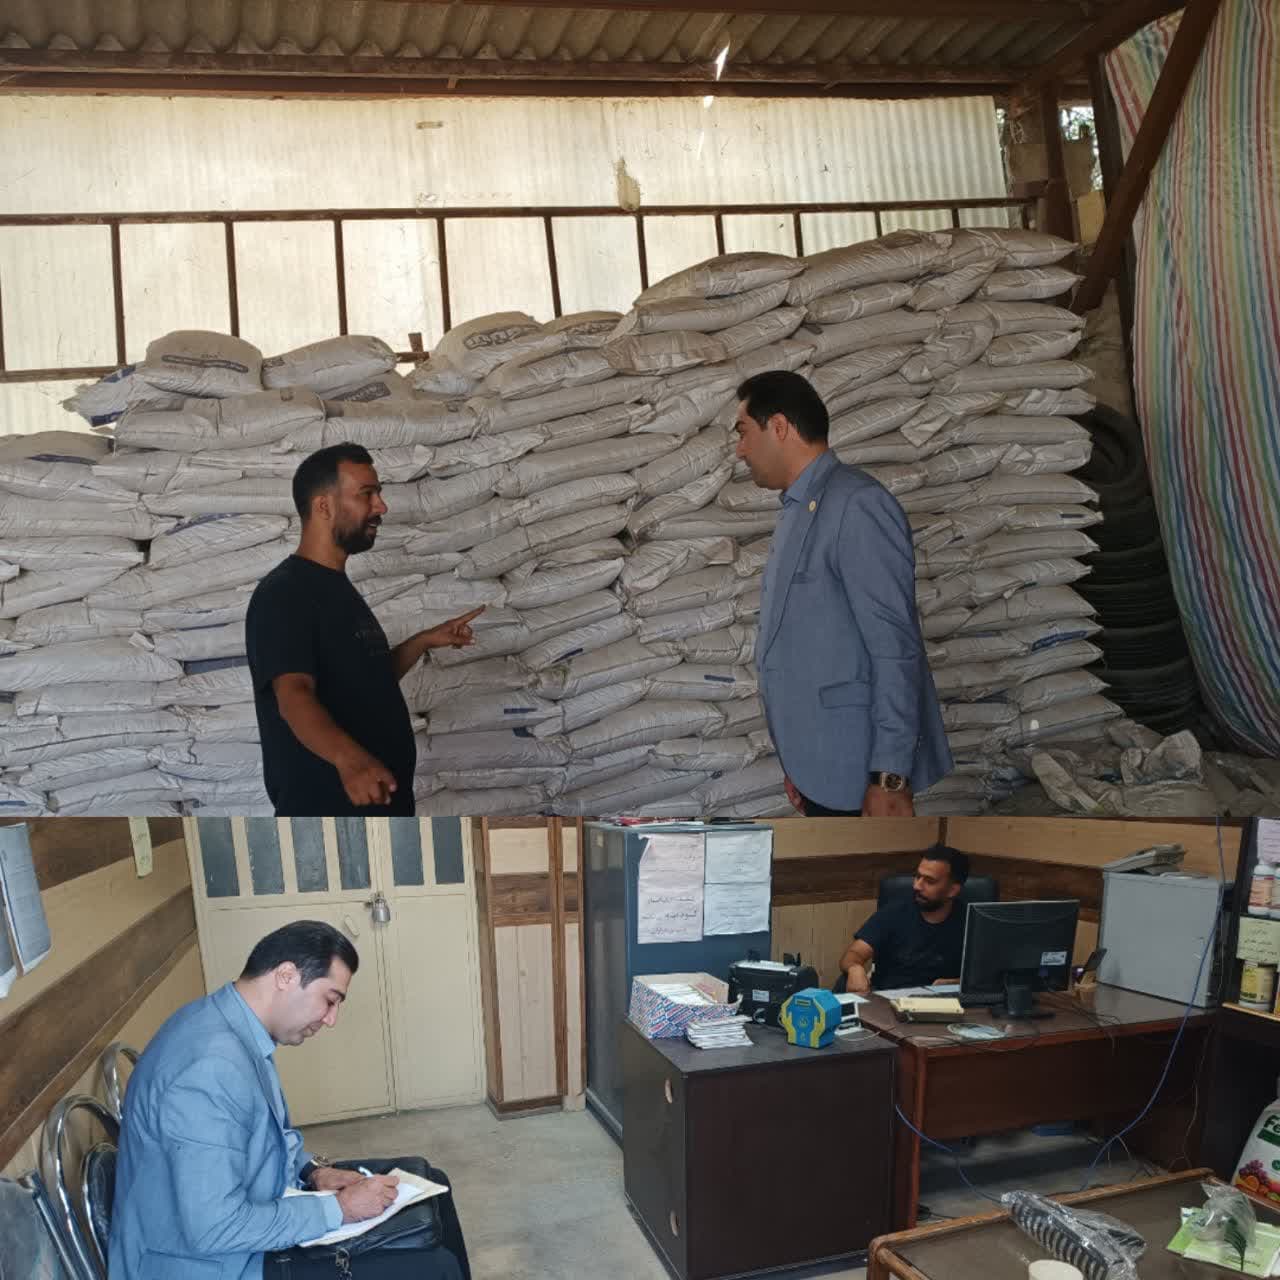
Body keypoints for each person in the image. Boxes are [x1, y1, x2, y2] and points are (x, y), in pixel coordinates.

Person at [109, 920, 469, 1280]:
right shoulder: (209, 1067)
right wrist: (339, 1209)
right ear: (286, 976)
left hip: (245, 1225)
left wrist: (314, 1172)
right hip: (214, 1264)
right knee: (436, 1268)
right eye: (330, 1000)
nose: (331, 1019)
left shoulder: (232, 1027)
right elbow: (213, 1229)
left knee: (434, 1187)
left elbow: (267, 1134)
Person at [733, 370, 952, 817]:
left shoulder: (857, 504)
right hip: (823, 763)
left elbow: (895, 647)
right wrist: (800, 760)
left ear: (779, 427)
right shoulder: (799, 508)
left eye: (743, 432)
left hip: (863, 770)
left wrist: (890, 775)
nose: (740, 450)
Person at [246, 443, 482, 816]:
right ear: (324, 506)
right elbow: (292, 695)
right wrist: (351, 761)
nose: (381, 507)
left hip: (381, 803)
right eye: (366, 494)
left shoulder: (336, 588)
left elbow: (365, 681)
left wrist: (422, 642)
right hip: (331, 811)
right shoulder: (285, 593)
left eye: (379, 494)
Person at [840, 846, 971, 994]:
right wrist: (855, 968)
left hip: (944, 1002)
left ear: (952, 890)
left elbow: (986, 976)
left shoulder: (970, 921)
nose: (917, 886)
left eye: (929, 881)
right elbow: (854, 953)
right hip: (889, 999)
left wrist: (956, 984)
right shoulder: (894, 912)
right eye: (917, 876)